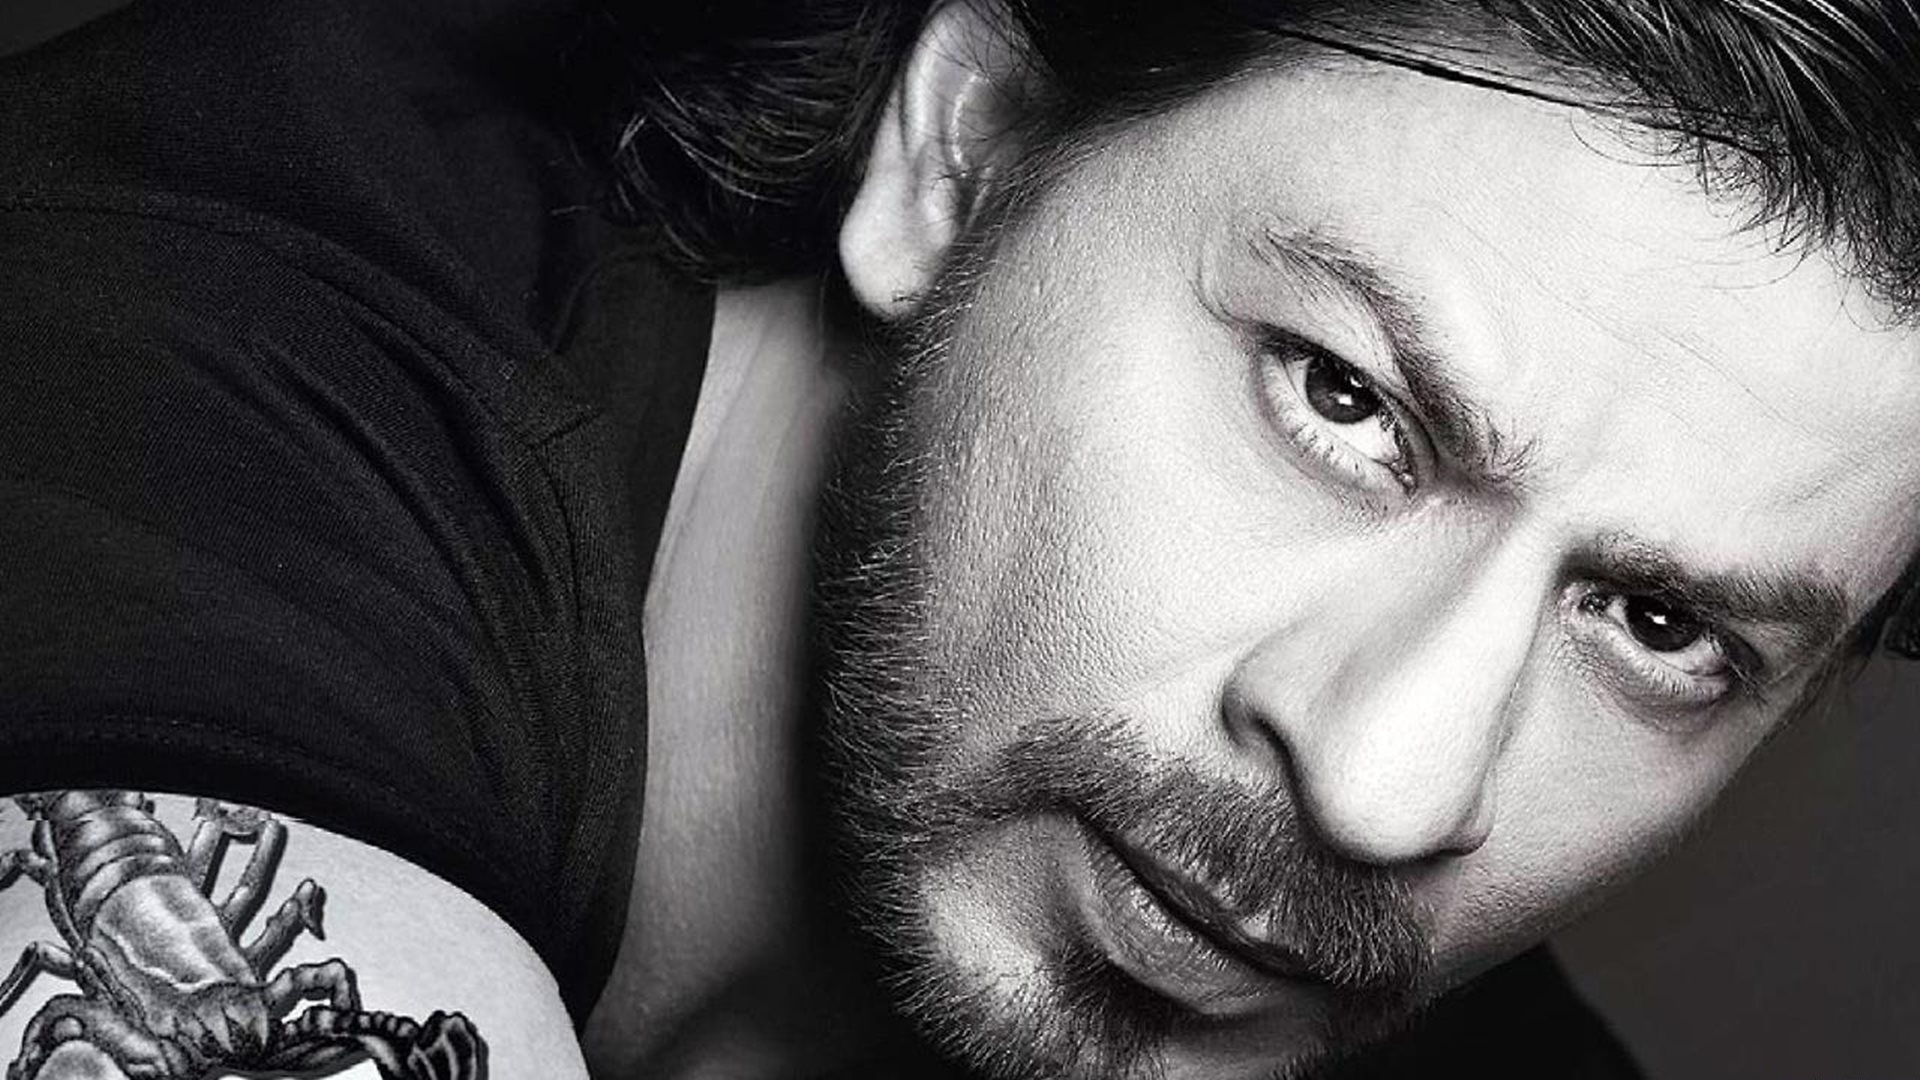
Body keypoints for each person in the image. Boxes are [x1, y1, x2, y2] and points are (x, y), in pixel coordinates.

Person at [0, 0, 1914, 1078]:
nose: (1387, 784)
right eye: (1341, 401)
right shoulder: (178, 364)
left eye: (1658, 622)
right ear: (961, 156)